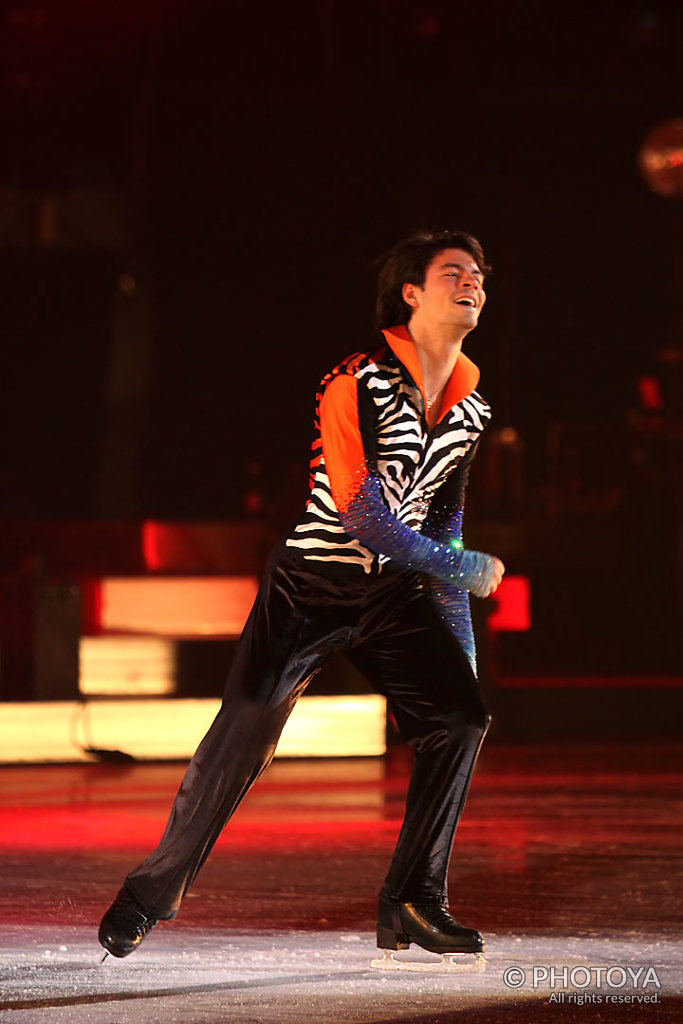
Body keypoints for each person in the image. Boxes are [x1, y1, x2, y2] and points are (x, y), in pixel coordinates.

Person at [99, 229, 505, 962]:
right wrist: (462, 566)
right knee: (241, 740)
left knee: (459, 716)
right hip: (311, 585)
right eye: (453, 272)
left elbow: (443, 523)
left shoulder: (472, 406)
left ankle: (412, 901)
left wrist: (460, 645)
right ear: (410, 293)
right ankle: (148, 895)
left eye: (478, 273)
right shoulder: (355, 380)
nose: (471, 281)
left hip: (393, 593)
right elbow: (361, 513)